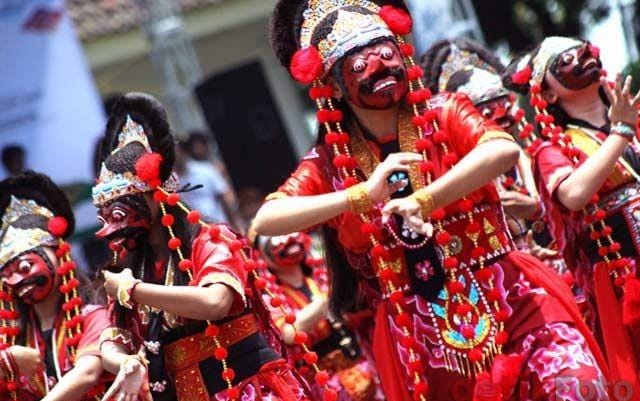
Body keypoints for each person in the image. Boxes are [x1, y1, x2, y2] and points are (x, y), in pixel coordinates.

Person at [254, 1, 610, 400]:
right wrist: (360, 196)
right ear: (333, 85)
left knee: (577, 384)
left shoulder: (443, 112)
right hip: (419, 330)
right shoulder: (329, 162)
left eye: (388, 55)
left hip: (511, 294)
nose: (381, 70)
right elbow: (267, 220)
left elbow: (502, 151)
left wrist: (424, 198)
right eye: (360, 66)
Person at [92, 93, 311, 401]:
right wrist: (125, 361)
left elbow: (216, 301)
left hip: (248, 388)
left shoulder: (210, 239)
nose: (110, 228)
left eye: (119, 212)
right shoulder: (130, 266)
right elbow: (114, 337)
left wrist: (134, 290)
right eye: (104, 217)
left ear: (157, 195)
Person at [503, 36, 640, 394]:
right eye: (564, 60)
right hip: (623, 278)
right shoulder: (552, 150)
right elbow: (575, 194)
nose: (580, 57)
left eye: (583, 50)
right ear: (547, 95)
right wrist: (621, 131)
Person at [420, 38, 567, 276]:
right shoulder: (450, 179)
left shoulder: (532, 157)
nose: (503, 124)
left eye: (504, 110)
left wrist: (538, 209)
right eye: (487, 116)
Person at [0, 171, 112, 401]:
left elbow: (87, 373)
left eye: (25, 267)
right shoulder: (16, 338)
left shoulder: (93, 315)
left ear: (58, 253)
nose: (18, 280)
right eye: (7, 274)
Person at [258, 232, 381, 401]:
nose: (289, 239)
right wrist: (331, 296)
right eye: (277, 236)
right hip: (323, 382)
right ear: (261, 255)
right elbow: (289, 333)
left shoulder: (323, 273)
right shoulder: (269, 298)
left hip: (363, 363)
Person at [175, 139, 239, 225]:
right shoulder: (170, 183)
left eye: (175, 151)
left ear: (182, 151)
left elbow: (225, 198)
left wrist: (234, 224)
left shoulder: (205, 170)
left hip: (219, 226)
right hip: (195, 233)